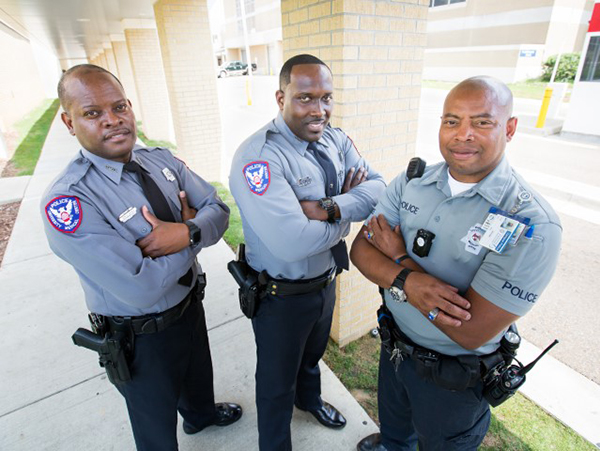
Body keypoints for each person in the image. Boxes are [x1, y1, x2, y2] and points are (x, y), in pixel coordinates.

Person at [351, 76, 562, 451]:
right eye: (451, 121)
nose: (462, 134)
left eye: (482, 122)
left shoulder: (531, 223)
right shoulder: (413, 181)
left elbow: (470, 330)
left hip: (451, 379)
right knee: (395, 436)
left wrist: (400, 265)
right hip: (394, 348)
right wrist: (408, 282)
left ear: (510, 128)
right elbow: (361, 252)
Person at [41, 64, 242, 451]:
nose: (113, 121)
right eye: (93, 113)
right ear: (69, 123)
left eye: (119, 107)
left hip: (189, 305)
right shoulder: (70, 202)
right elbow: (142, 286)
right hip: (139, 336)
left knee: (198, 377)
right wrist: (194, 237)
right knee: (155, 430)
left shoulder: (160, 161)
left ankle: (200, 417)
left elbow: (218, 210)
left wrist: (186, 232)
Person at [229, 54, 386, 450]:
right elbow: (292, 242)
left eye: (327, 97)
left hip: (325, 280)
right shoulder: (260, 157)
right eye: (305, 98)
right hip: (280, 294)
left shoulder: (334, 138)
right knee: (276, 380)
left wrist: (328, 208)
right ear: (281, 97)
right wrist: (350, 209)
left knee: (312, 357)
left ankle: (310, 399)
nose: (319, 109)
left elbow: (380, 189)